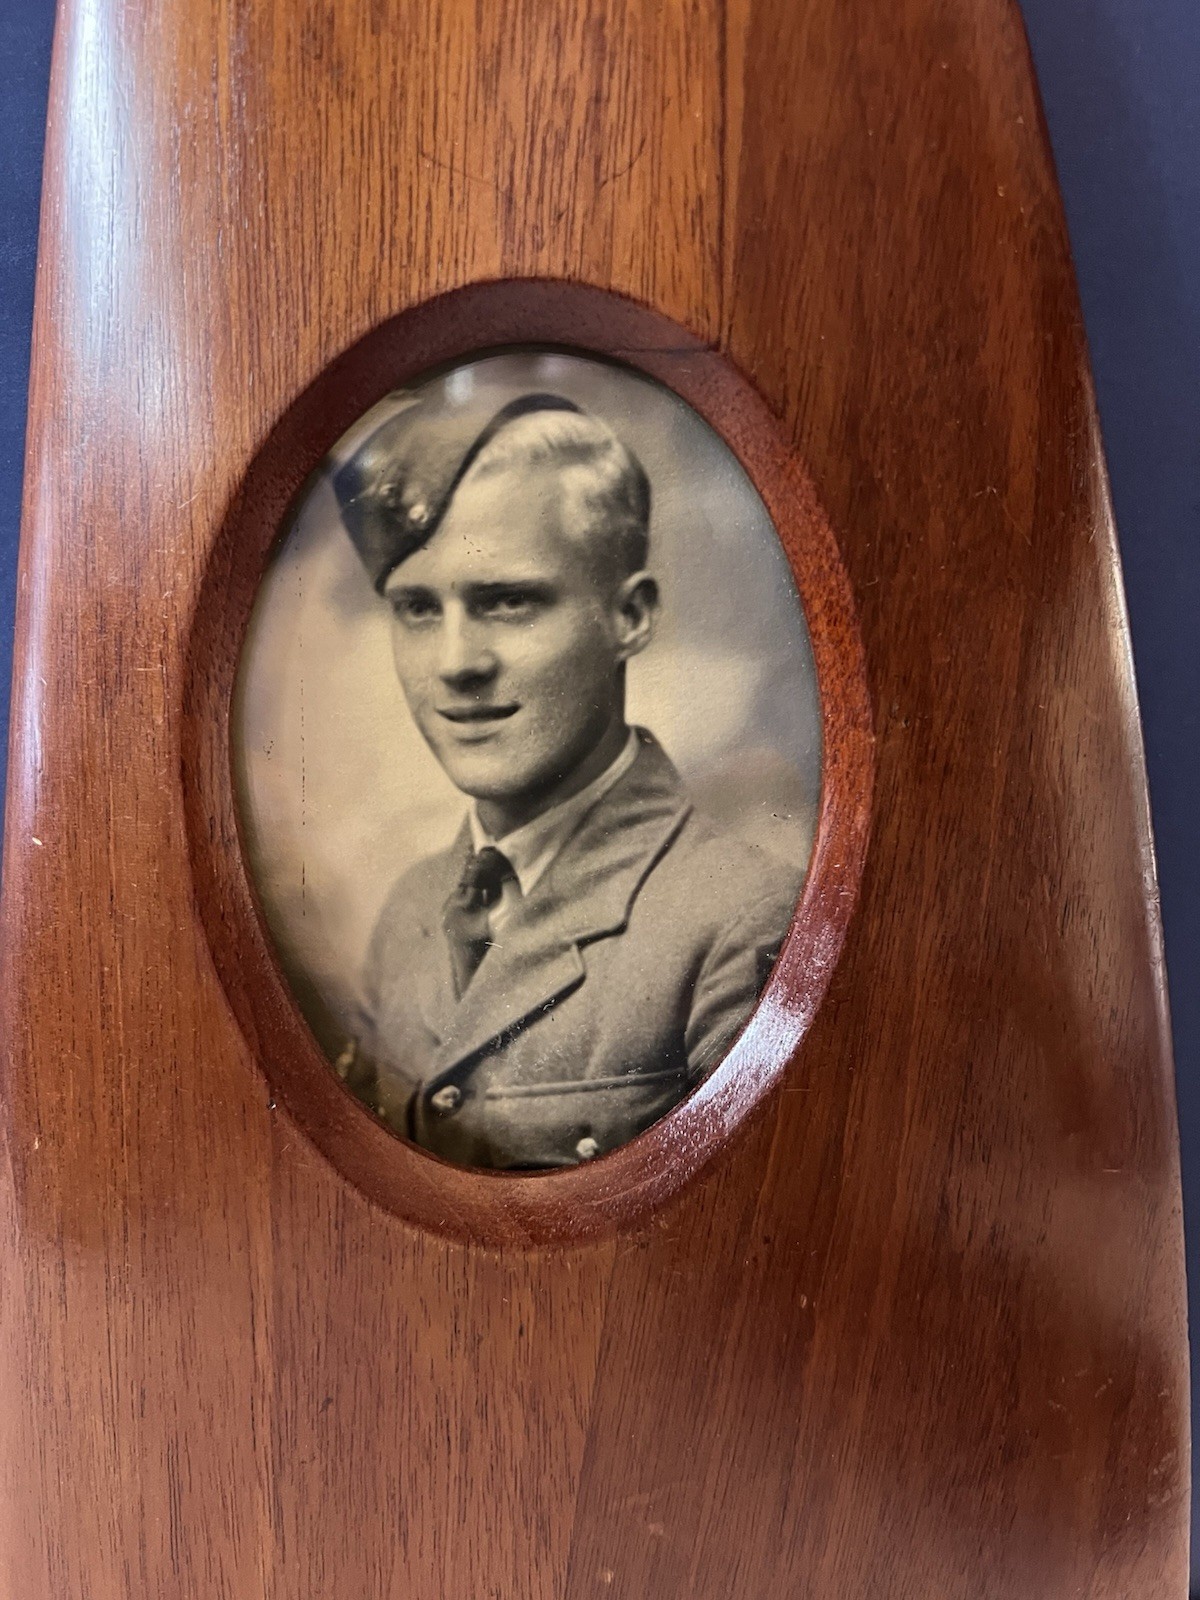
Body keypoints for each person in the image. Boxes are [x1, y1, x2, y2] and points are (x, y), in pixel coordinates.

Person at [332, 388, 803, 1169]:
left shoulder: (740, 925)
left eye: (508, 601)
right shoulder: (412, 910)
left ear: (631, 617)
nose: (455, 663)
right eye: (417, 608)